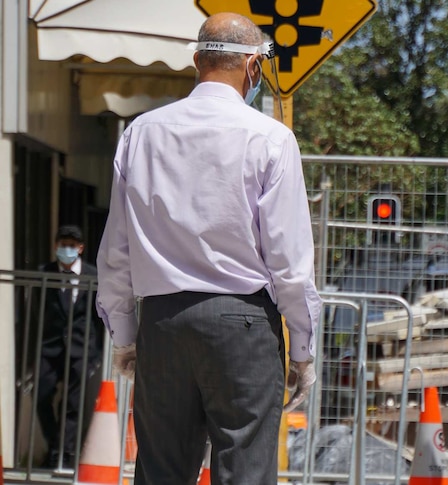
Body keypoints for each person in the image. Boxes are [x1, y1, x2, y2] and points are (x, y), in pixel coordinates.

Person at [96, 12, 322, 485]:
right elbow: (289, 260)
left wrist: (124, 334)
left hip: (163, 320)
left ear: (197, 60)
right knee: (244, 469)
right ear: (253, 67)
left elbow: (116, 250)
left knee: (160, 470)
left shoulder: (141, 133)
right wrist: (302, 346)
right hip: (243, 325)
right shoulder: (272, 138)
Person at [36, 224, 102, 468]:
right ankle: (55, 446)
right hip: (50, 348)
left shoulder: (92, 274)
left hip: (81, 348)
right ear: (56, 246)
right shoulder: (45, 271)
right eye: (63, 244)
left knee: (72, 405)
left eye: (72, 246)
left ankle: (67, 454)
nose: (67, 249)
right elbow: (37, 311)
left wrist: (95, 354)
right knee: (42, 397)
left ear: (81, 248)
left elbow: (98, 316)